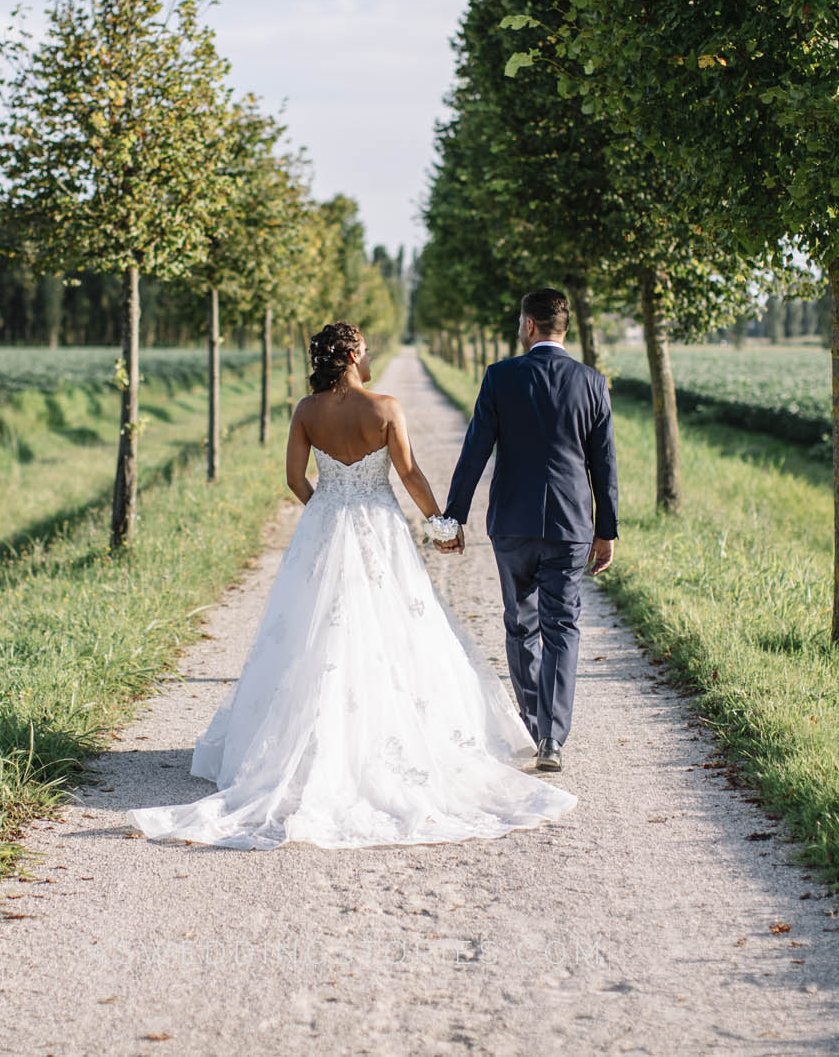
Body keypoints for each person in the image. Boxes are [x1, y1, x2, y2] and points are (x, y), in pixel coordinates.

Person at [127, 321, 575, 849]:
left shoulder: (306, 410)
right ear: (351, 356)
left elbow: (295, 479)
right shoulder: (385, 409)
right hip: (379, 527)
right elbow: (409, 475)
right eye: (364, 349)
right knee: (392, 627)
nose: (369, 356)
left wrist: (326, 508)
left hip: (323, 525)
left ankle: (308, 744)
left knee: (313, 631)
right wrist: (441, 524)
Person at [441, 288, 619, 774]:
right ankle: (552, 739)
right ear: (565, 327)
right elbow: (604, 464)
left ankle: (533, 721)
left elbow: (475, 450)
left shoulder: (500, 377)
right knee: (562, 626)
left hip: (513, 524)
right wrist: (606, 530)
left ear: (529, 326)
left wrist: (454, 516)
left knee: (522, 624)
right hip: (570, 524)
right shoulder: (592, 382)